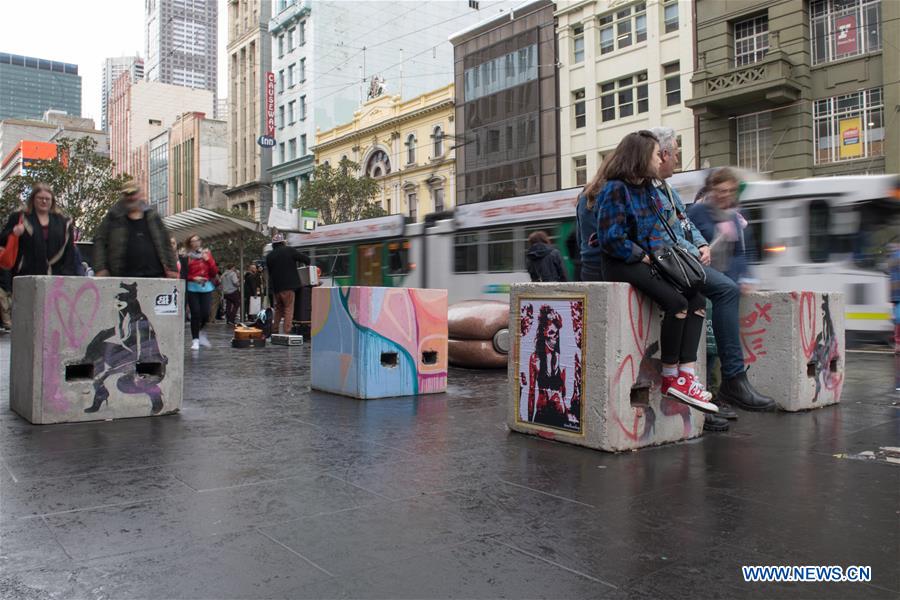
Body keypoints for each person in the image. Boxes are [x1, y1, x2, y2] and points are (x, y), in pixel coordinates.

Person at [648, 126, 775, 425]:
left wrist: (701, 244)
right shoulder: (663, 195)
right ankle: (722, 391)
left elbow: (682, 227)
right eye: (674, 152)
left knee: (711, 323)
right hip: (678, 266)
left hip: (692, 268)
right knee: (707, 338)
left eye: (730, 191)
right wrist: (698, 247)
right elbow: (669, 231)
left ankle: (717, 396)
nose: (677, 157)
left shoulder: (670, 192)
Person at [594, 130, 717, 414]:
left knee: (697, 300)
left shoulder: (649, 188)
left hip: (651, 258)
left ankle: (686, 375)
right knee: (676, 303)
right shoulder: (615, 188)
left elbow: (658, 229)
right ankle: (670, 377)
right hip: (622, 262)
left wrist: (664, 258)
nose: (660, 158)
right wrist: (644, 257)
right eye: (654, 154)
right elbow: (611, 238)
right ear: (639, 157)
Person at [688, 168, 758, 290]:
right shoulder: (698, 211)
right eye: (722, 191)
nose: (727, 195)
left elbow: (738, 252)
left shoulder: (733, 216)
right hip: (704, 281)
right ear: (713, 190)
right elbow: (686, 242)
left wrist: (745, 276)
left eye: (731, 191)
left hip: (729, 282)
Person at [93, 183, 178, 279]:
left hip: (155, 276)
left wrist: (173, 269)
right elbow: (99, 240)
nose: (131, 197)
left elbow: (165, 242)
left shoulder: (153, 216)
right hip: (123, 277)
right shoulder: (113, 216)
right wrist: (100, 268)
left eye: (133, 193)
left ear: (140, 194)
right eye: (127, 194)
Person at [0, 183, 77, 277]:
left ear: (52, 201)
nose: (44, 201)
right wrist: (13, 232)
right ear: (33, 199)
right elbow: (2, 241)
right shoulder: (19, 217)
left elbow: (70, 252)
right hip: (25, 275)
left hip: (56, 277)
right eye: (40, 198)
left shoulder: (64, 222)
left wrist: (67, 274)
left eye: (47, 199)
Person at [265, 233, 310, 335]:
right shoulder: (289, 250)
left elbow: (270, 272)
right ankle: (287, 331)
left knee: (278, 309)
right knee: (288, 308)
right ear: (283, 242)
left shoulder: (269, 256)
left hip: (276, 288)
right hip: (289, 287)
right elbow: (305, 259)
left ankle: (275, 329)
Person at [180, 234, 219, 350]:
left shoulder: (207, 254)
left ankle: (201, 332)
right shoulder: (186, 257)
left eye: (198, 240)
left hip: (206, 286)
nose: (196, 243)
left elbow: (214, 272)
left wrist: (209, 260)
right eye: (193, 241)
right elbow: (184, 273)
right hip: (193, 287)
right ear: (190, 244)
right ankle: (195, 339)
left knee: (206, 313)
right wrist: (194, 278)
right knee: (195, 313)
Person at [576, 160, 609, 282]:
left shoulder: (584, 195)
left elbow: (580, 239)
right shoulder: (613, 192)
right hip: (608, 265)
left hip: (588, 266)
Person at [0, 268, 11, 333]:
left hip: (6, 285)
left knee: (7, 304)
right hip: (4, 285)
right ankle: (7, 322)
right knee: (5, 305)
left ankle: (7, 322)